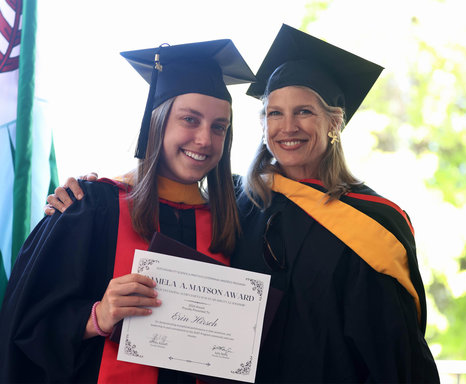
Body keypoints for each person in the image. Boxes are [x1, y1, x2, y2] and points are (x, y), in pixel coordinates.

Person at [42, 25, 440, 383]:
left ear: (334, 122)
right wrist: (87, 192)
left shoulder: (373, 224)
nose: (288, 127)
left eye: (304, 112)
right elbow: (166, 181)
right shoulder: (239, 205)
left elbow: (394, 353)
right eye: (274, 114)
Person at [0, 39, 255, 383]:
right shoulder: (91, 207)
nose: (205, 140)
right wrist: (96, 317)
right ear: (157, 121)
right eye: (190, 120)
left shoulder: (237, 222)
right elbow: (24, 324)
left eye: (218, 127)